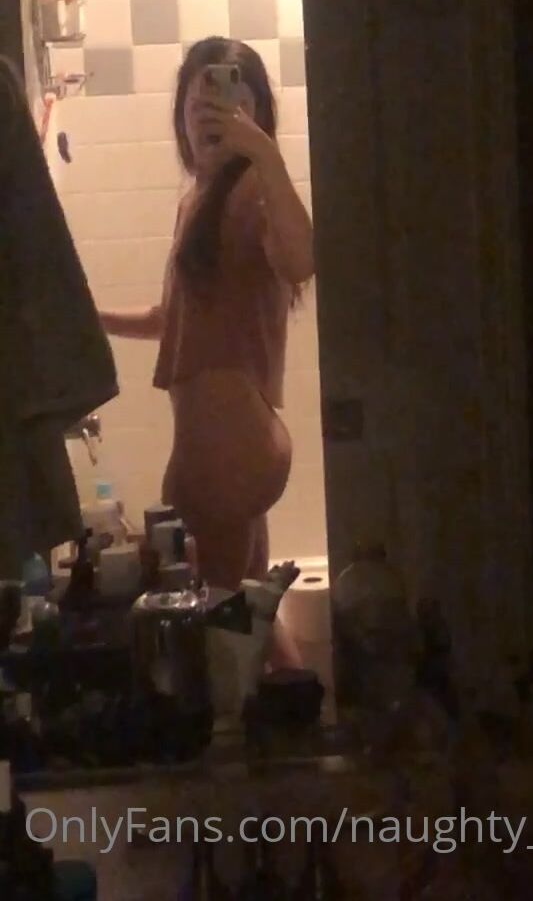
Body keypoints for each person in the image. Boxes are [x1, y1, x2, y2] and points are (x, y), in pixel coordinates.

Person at [99, 37, 314, 666]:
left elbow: (301, 259)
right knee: (248, 612)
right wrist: (92, 319)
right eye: (198, 108)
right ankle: (302, 707)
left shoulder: (252, 191)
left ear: (257, 115)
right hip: (231, 445)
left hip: (228, 449)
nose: (209, 120)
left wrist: (264, 153)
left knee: (224, 633)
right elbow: (174, 321)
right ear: (181, 120)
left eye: (229, 107)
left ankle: (251, 727)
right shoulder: (197, 201)